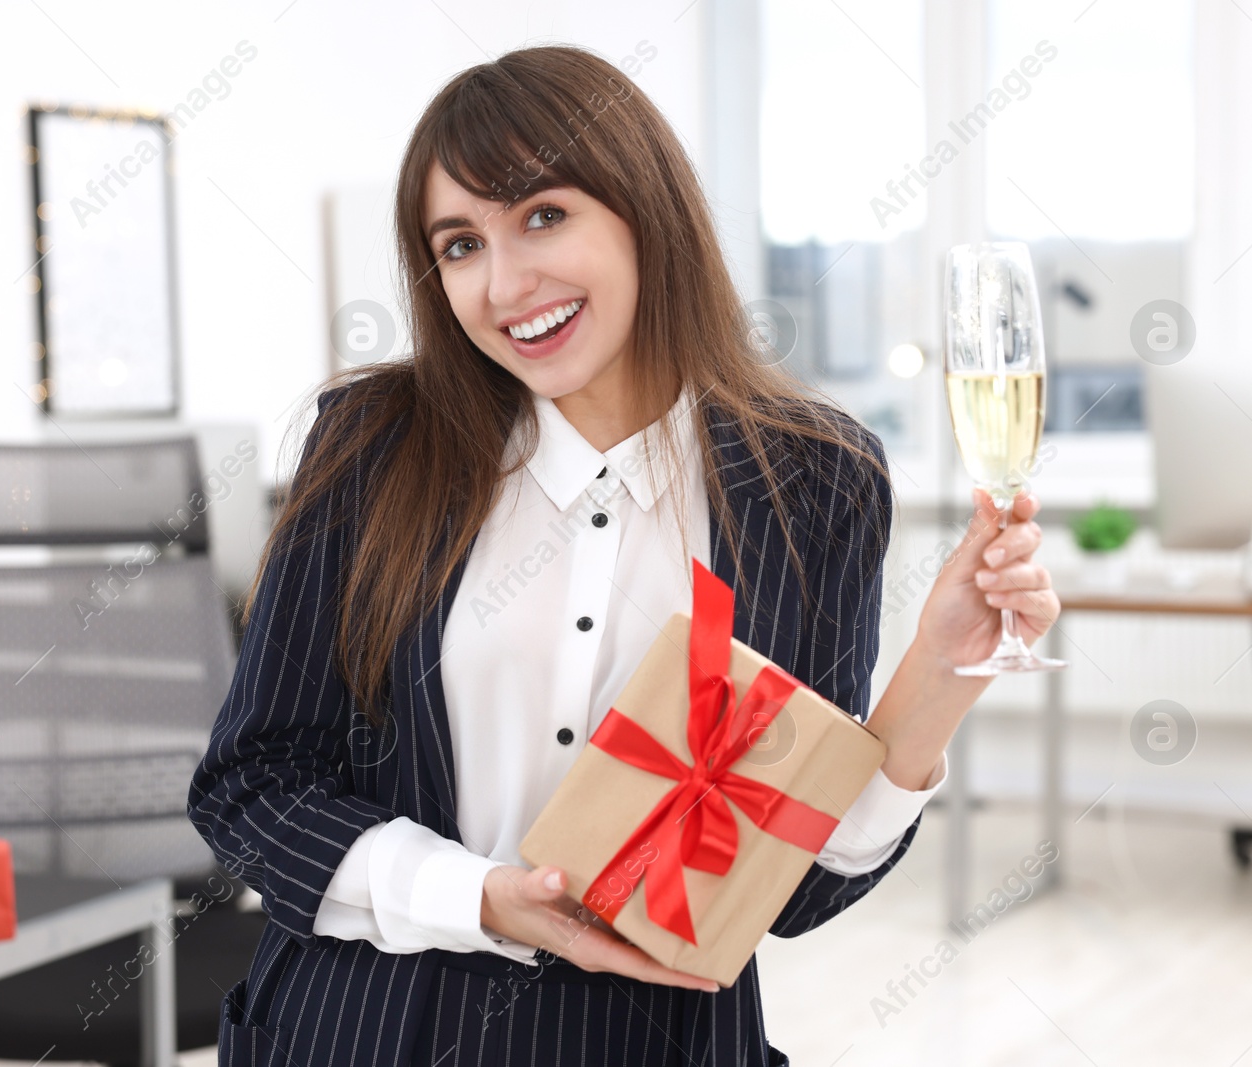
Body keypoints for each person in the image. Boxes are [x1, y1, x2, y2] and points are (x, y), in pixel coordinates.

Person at [188, 43, 1059, 1067]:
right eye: (460, 243)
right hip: (373, 1028)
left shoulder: (813, 478)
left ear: (644, 210)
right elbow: (250, 785)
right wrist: (479, 897)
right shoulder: (374, 447)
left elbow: (794, 890)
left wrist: (940, 673)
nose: (505, 283)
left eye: (542, 216)